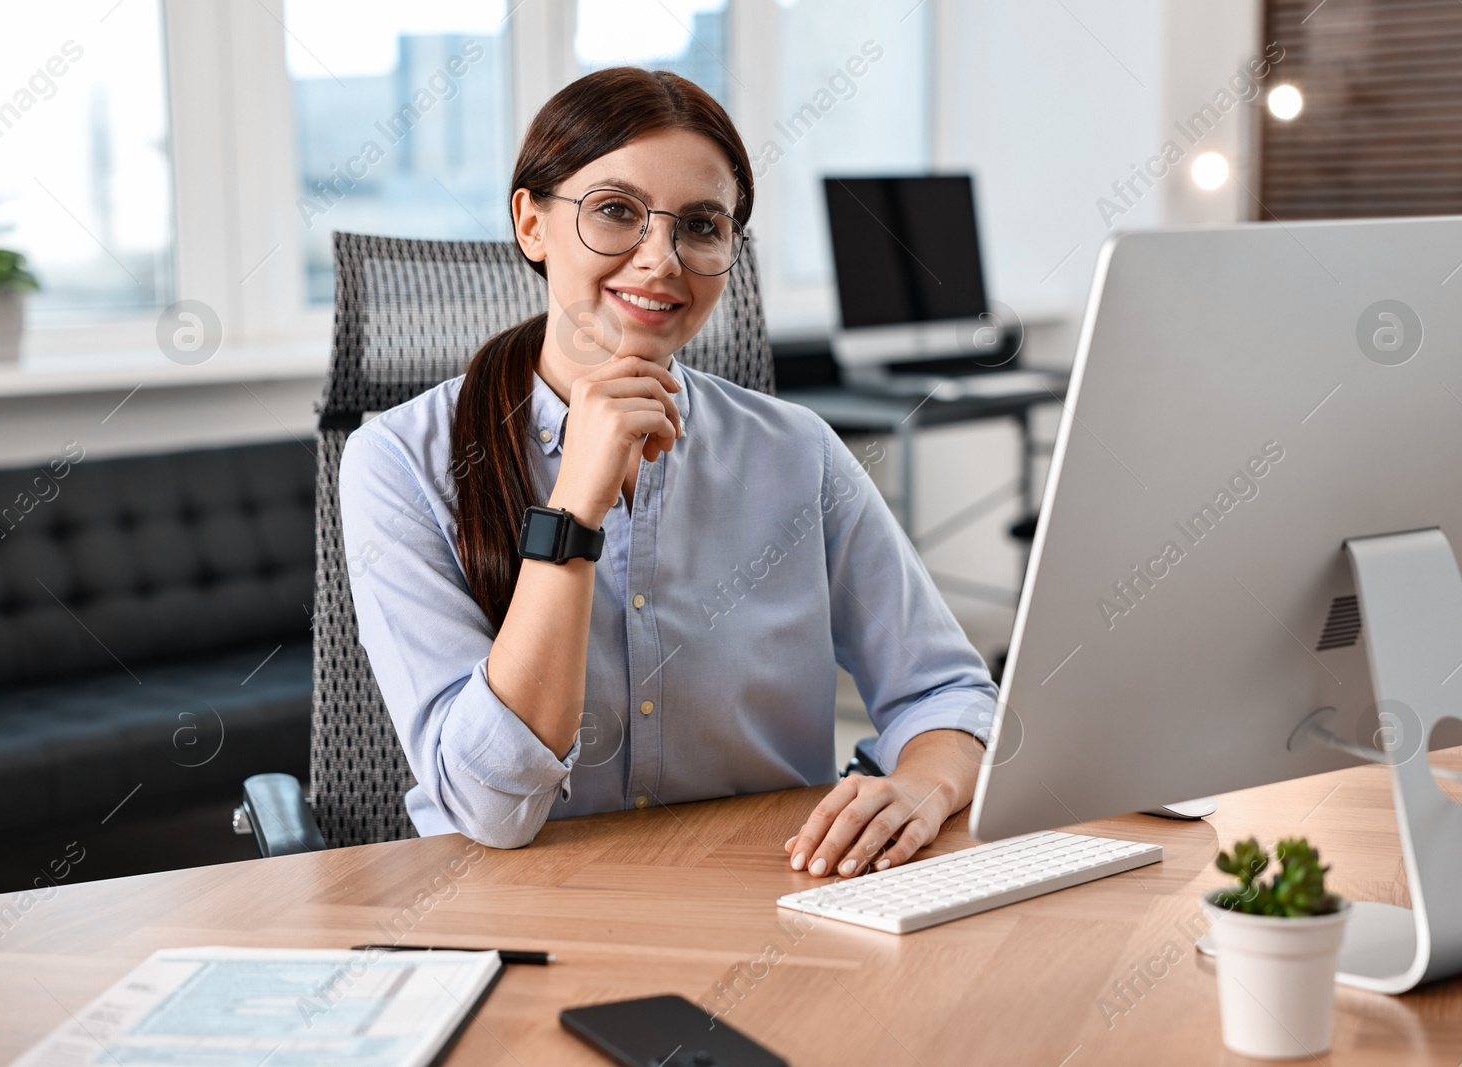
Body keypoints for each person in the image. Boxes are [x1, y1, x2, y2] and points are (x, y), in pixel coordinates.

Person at [339, 67, 995, 879]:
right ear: (531, 223)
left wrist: (924, 785)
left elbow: (943, 691)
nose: (661, 260)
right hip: (513, 906)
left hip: (769, 894)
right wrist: (574, 506)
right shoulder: (400, 462)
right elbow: (490, 808)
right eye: (615, 211)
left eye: (701, 224)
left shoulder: (797, 451)